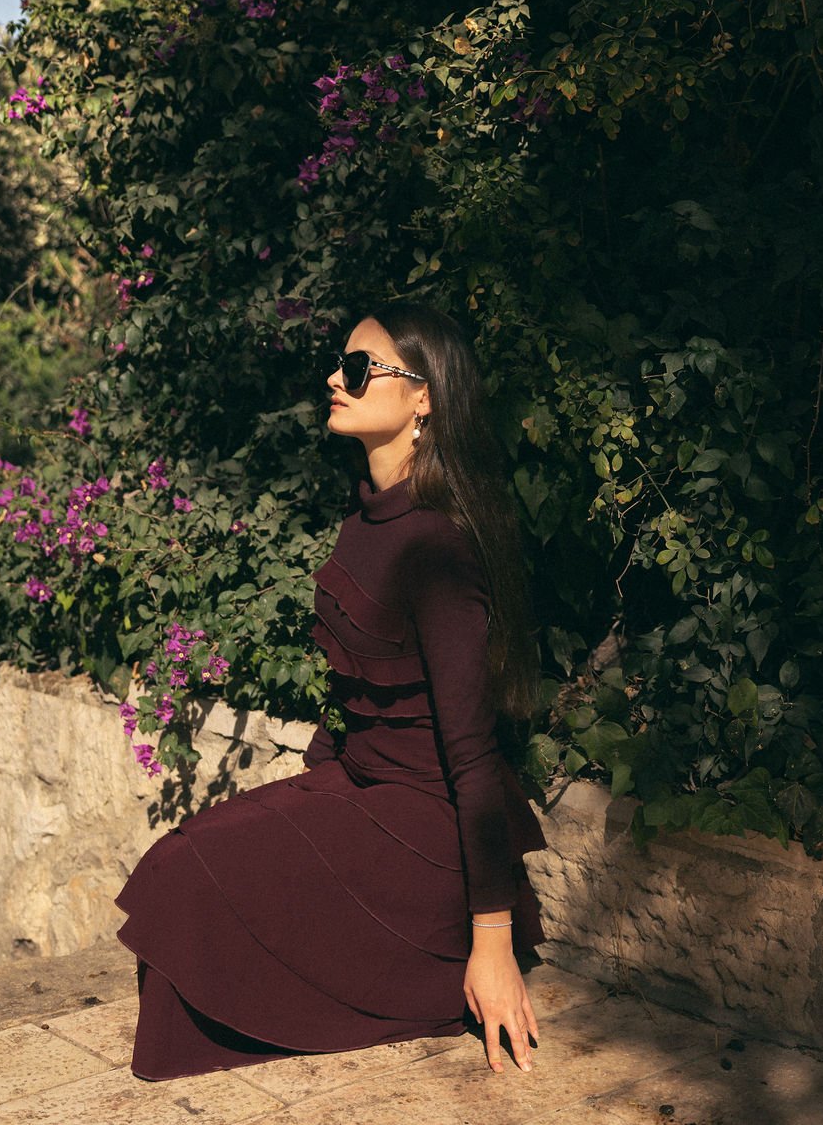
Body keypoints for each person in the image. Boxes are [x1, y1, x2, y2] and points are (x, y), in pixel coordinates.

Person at [114, 301, 549, 1081]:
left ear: (424, 397)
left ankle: (415, 963)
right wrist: (304, 800)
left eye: (358, 369)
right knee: (183, 866)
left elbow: (476, 762)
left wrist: (492, 947)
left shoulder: (436, 545)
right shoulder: (366, 516)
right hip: (364, 788)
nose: (333, 379)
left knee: (188, 884)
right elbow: (357, 700)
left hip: (426, 841)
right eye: (338, 364)